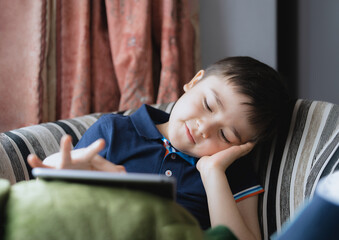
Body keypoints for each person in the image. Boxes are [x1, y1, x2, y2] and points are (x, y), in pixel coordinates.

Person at [28, 56, 289, 240]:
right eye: (208, 105)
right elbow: (58, 182)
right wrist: (61, 168)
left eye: (225, 134)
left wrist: (212, 175)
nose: (203, 128)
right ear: (194, 81)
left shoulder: (230, 171)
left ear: (242, 147)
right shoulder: (115, 131)